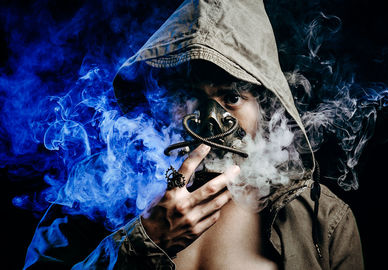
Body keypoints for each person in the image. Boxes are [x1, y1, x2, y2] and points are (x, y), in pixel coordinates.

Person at [23, 0, 364, 269]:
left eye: (231, 97)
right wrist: (143, 242)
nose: (209, 120)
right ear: (157, 101)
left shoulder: (320, 219)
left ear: (264, 107)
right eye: (186, 97)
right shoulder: (96, 192)